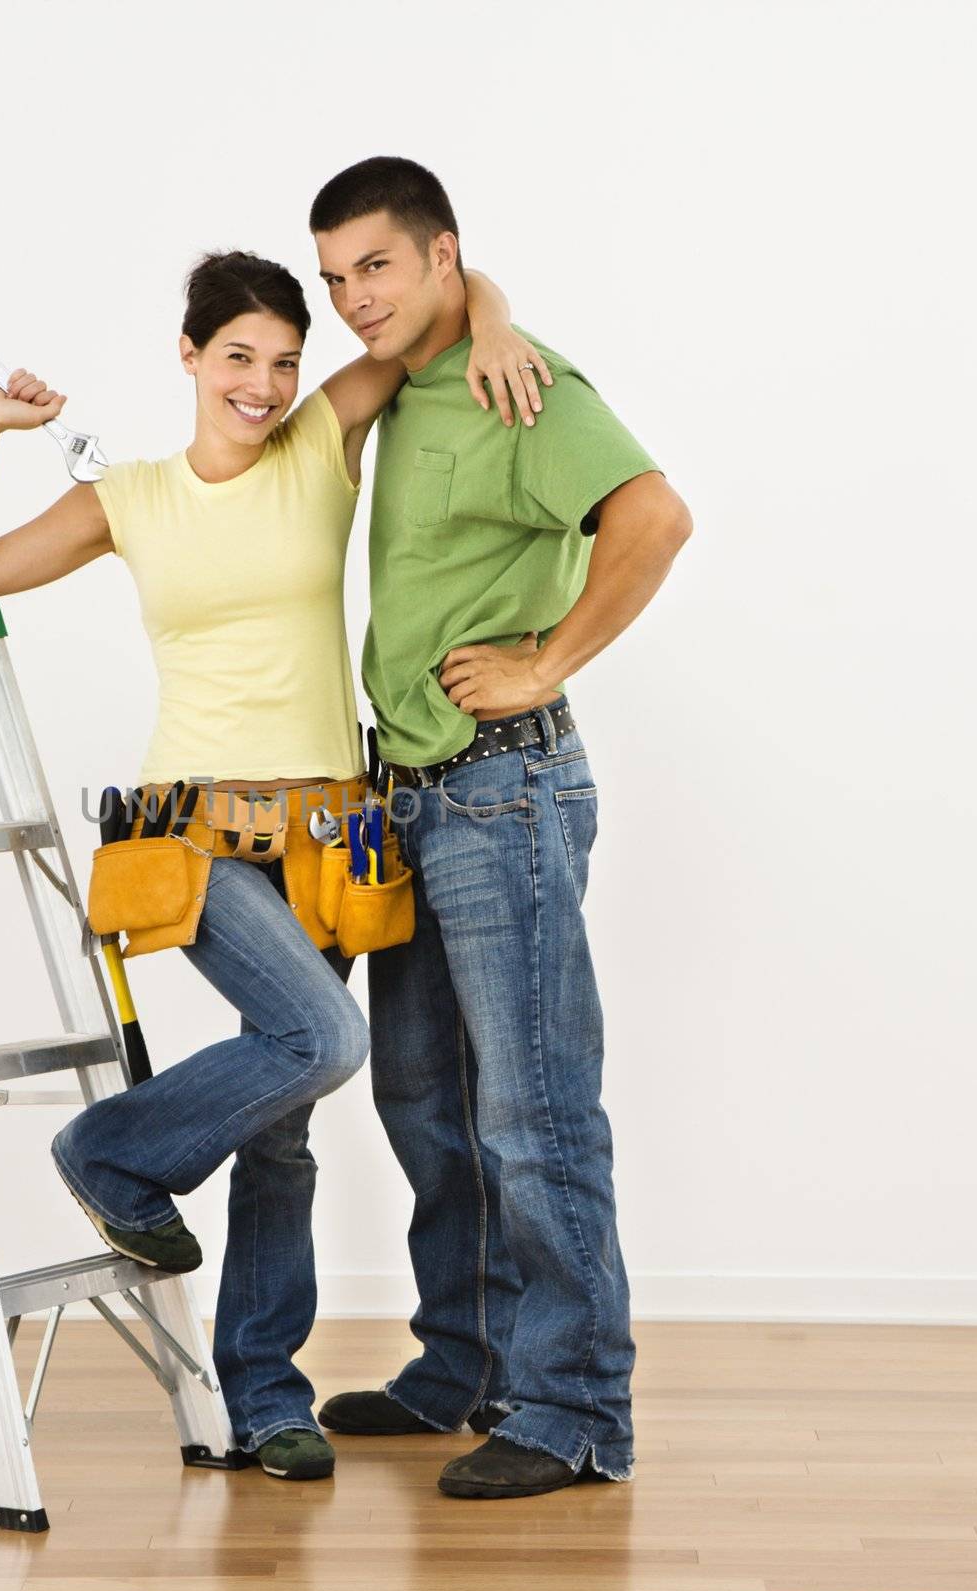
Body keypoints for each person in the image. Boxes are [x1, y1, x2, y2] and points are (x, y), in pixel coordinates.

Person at [0, 248, 546, 1481]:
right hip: (191, 835)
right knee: (319, 1040)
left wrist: (504, 324)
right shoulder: (132, 497)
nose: (262, 385)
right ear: (191, 357)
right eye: (239, 358)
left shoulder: (320, 443)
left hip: (329, 838)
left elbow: (439, 307)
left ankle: (265, 1397)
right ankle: (108, 1153)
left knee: (283, 1128)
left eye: (283, 361)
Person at [307, 157, 694, 1499]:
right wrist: (483, 304)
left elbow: (654, 517)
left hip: (502, 786)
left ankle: (578, 1411)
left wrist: (543, 661)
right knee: (424, 1099)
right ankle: (466, 1366)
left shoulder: (518, 385)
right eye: (336, 275)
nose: (356, 296)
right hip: (409, 791)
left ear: (439, 255)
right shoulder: (418, 377)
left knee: (532, 1114)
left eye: (378, 266)